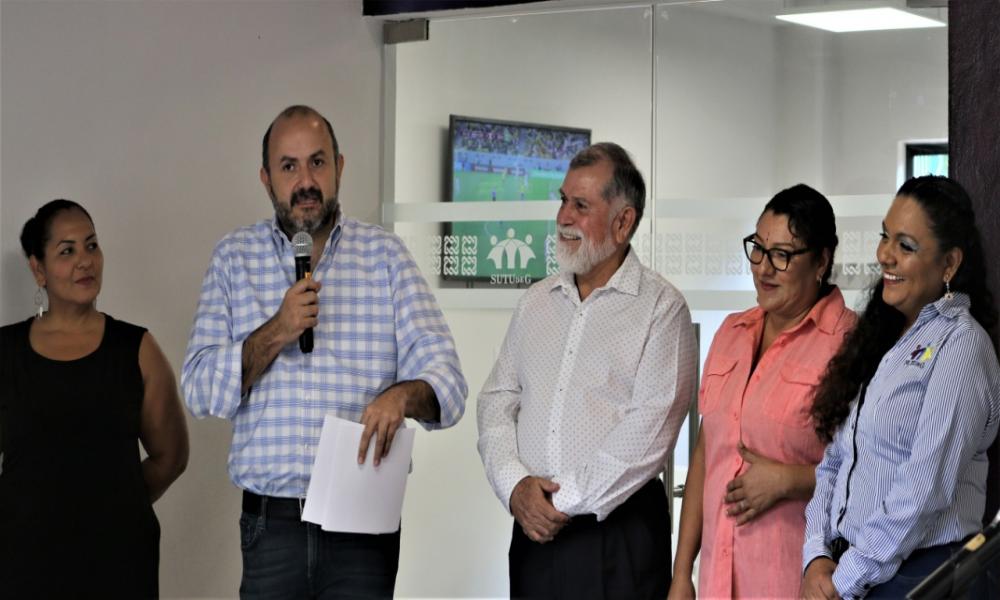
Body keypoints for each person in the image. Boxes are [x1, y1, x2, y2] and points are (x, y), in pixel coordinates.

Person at [181, 105, 467, 599]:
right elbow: (199, 387)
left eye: (317, 162)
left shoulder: (386, 257)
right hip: (273, 527)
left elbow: (450, 385)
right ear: (266, 178)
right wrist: (277, 330)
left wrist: (401, 396)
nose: (306, 180)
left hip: (362, 525)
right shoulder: (234, 258)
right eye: (289, 166)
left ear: (339, 166)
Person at [477, 142, 697, 599]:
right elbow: (497, 401)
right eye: (562, 200)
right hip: (534, 535)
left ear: (623, 222)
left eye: (581, 205)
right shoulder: (535, 303)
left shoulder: (661, 309)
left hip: (618, 539)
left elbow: (648, 434)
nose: (563, 218)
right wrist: (516, 486)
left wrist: (555, 502)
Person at [801, 175, 1000, 599]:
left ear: (949, 265)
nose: (885, 255)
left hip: (921, 577)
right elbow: (836, 460)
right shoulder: (882, 338)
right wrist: (817, 554)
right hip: (856, 571)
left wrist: (845, 579)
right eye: (885, 237)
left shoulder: (962, 346)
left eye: (906, 246)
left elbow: (924, 490)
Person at [668, 185, 857, 599]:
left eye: (782, 255)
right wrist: (682, 572)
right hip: (719, 580)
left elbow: (874, 471)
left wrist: (790, 480)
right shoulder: (731, 332)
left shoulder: (851, 343)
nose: (763, 268)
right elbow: (707, 454)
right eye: (758, 248)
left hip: (795, 580)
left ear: (821, 261)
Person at [0, 199, 189, 598]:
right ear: (38, 269)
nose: (85, 261)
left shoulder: (136, 348)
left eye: (91, 245)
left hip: (118, 562)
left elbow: (170, 456)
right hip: (22, 563)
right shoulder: (6, 352)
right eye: (67, 251)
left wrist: (112, 503)